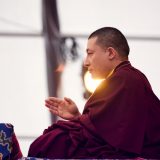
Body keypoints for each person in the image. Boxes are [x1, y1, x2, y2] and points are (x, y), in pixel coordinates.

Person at [28, 27, 160, 159]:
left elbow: (116, 141)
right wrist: (77, 117)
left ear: (110, 53)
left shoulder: (126, 78)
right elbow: (108, 130)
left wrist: (80, 121)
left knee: (54, 141)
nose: (86, 62)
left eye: (90, 53)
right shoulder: (126, 77)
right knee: (54, 140)